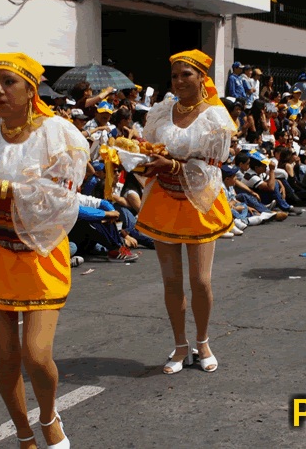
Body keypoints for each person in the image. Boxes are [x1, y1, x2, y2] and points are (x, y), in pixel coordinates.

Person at [0, 53, 88, 448]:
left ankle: (49, 417)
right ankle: (25, 436)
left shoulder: (58, 134)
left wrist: (7, 189)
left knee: (37, 355)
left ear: (30, 90)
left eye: (8, 83)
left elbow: (63, 197)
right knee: (6, 359)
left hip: (39, 250)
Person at [136, 49, 236, 375]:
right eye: (175, 75)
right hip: (163, 198)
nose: (179, 81)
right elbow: (148, 149)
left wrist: (173, 165)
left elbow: (214, 165)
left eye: (186, 75)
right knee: (171, 281)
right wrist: (141, 159)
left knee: (201, 281)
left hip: (200, 200)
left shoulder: (216, 117)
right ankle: (180, 344)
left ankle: (203, 341)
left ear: (202, 78)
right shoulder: (161, 111)